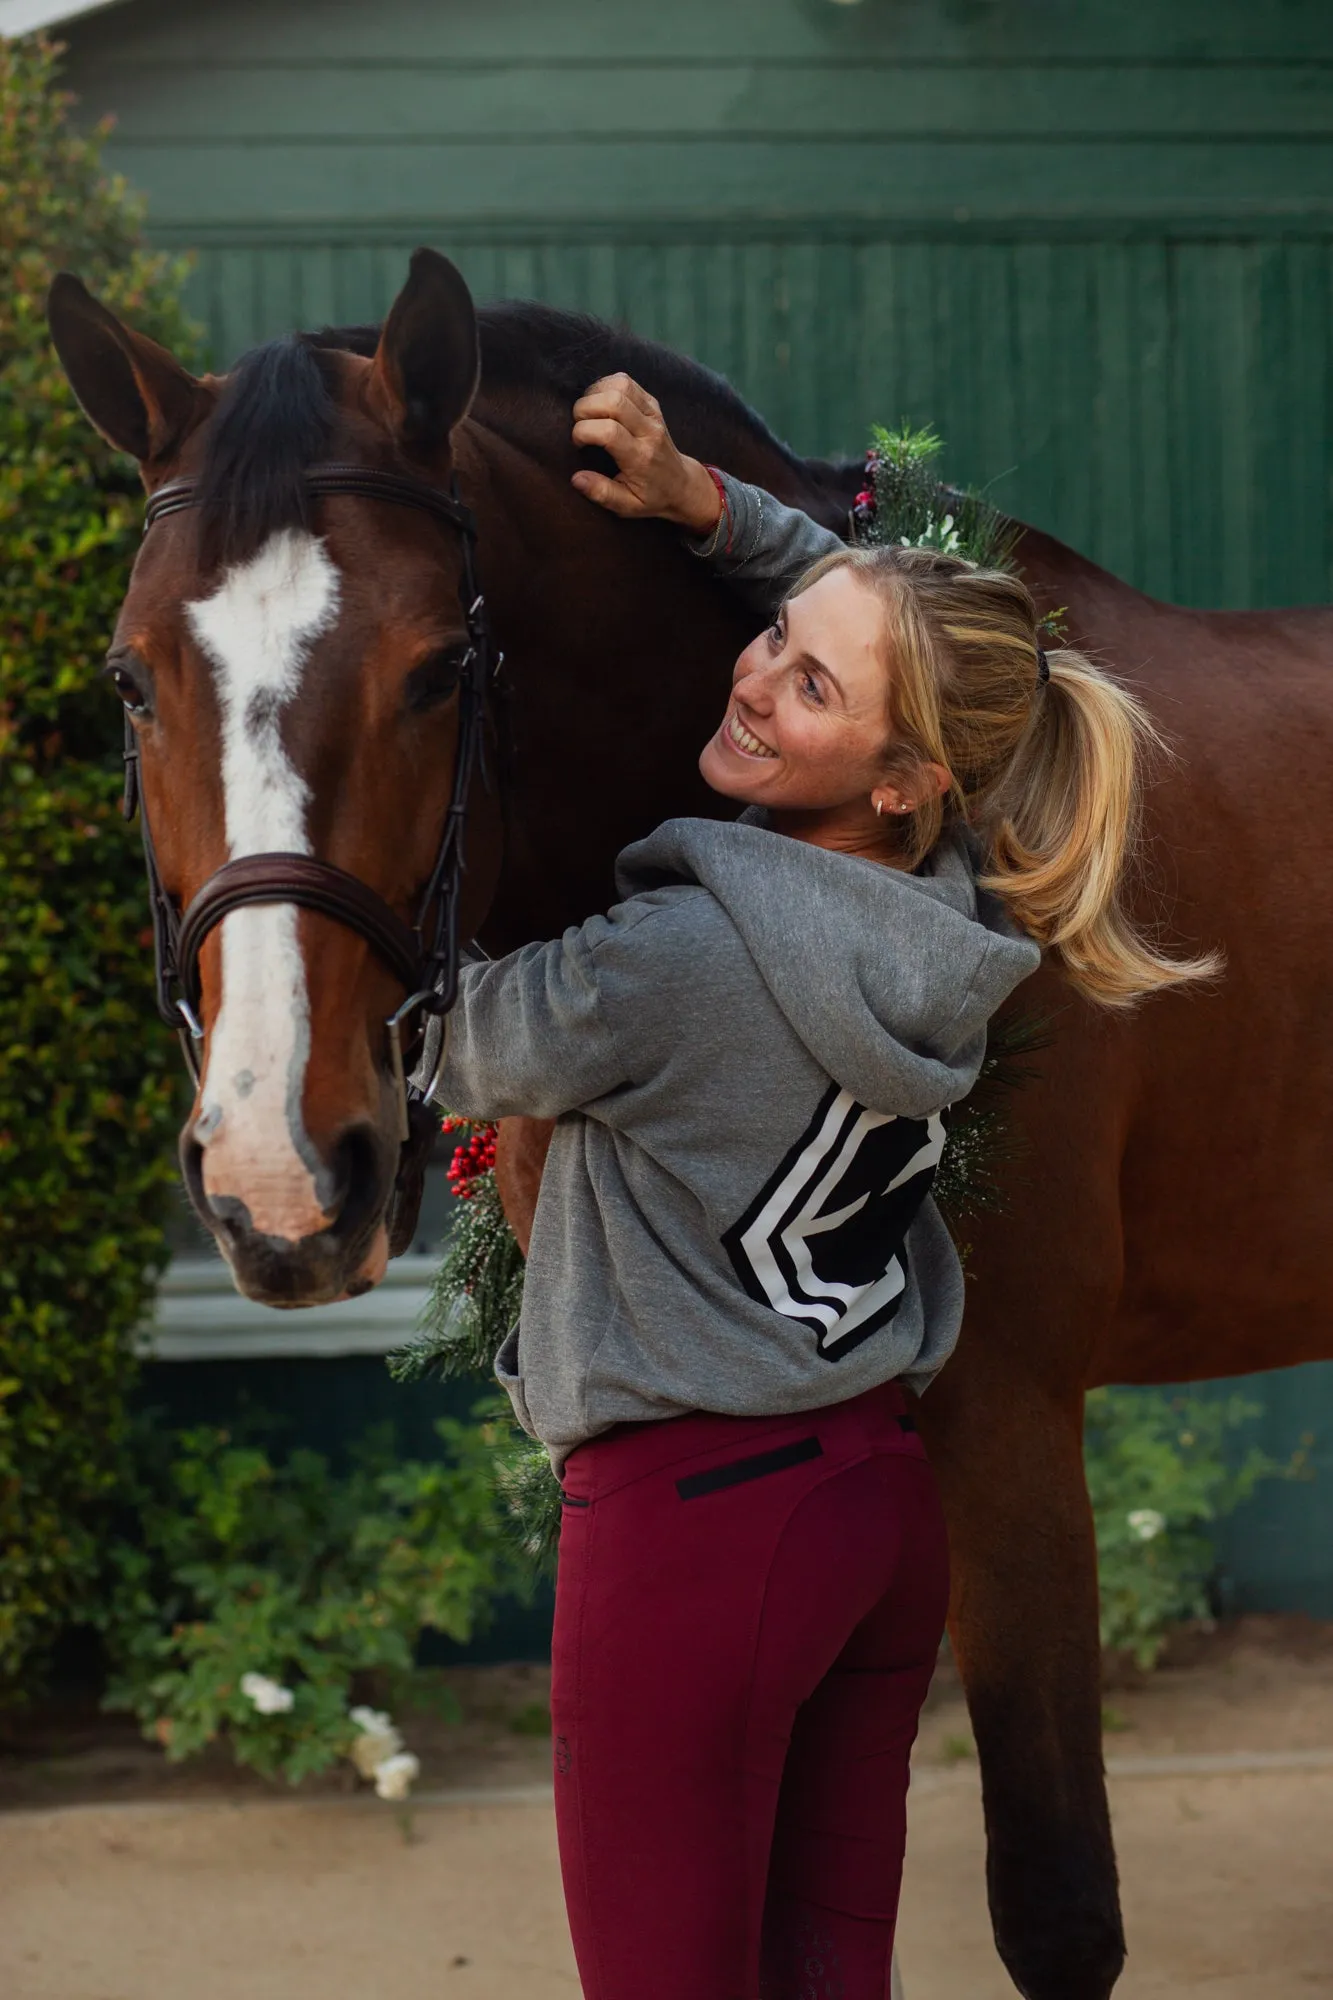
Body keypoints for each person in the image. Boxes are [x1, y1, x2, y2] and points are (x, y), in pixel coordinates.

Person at [434, 375, 1215, 2000]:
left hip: (694, 1534)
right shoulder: (957, 896)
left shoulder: (674, 966)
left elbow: (423, 1043)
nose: (758, 679)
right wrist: (717, 516)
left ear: (900, 773)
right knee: (822, 1977)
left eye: (806, 686)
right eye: (774, 642)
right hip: (868, 1505)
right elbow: (878, 627)